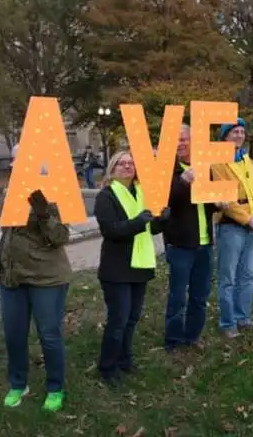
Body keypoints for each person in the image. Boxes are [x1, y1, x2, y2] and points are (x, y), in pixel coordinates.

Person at [0, 167, 72, 411]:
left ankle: (55, 388)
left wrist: (44, 213)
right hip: (12, 278)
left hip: (46, 278)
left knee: (49, 335)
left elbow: (61, 237)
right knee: (14, 334)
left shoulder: (54, 194)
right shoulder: (11, 194)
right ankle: (18, 383)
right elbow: (10, 232)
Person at [93, 151, 168, 385]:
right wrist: (140, 221)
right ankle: (107, 367)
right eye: (121, 164)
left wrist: (162, 219)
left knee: (132, 318)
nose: (127, 167)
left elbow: (151, 229)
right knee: (118, 320)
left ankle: (125, 361)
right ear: (112, 169)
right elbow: (111, 230)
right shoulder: (106, 196)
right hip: (116, 268)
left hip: (139, 265)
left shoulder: (141, 192)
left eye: (131, 163)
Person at [162, 125, 219, 351]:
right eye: (175, 140)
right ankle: (173, 341)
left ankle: (193, 336)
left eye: (184, 139)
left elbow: (208, 200)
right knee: (178, 296)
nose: (180, 143)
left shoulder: (204, 167)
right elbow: (165, 201)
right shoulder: (167, 170)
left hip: (205, 243)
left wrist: (218, 202)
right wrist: (183, 182)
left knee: (200, 294)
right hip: (180, 244)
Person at [211, 118, 253, 338]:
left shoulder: (247, 160)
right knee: (228, 277)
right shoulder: (217, 162)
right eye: (234, 132)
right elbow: (225, 197)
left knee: (248, 274)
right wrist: (246, 218)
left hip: (251, 223)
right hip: (231, 225)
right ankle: (228, 322)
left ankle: (243, 317)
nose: (240, 135)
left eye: (242, 132)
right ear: (225, 137)